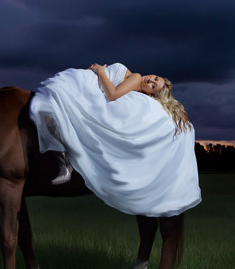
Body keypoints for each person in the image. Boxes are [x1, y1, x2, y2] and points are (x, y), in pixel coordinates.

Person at [29, 62, 201, 217]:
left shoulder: (136, 79)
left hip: (94, 79)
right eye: (155, 78)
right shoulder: (136, 78)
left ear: (150, 94)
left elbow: (112, 94)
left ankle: (62, 157)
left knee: (51, 100)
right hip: (87, 80)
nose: (150, 80)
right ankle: (63, 157)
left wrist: (100, 71)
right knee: (52, 101)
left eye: (153, 86)